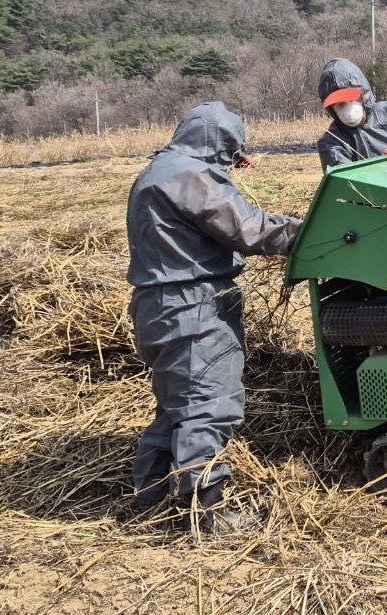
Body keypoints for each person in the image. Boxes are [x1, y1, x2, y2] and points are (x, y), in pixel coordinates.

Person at [126, 101, 301, 533]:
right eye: (231, 154)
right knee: (209, 405)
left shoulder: (158, 171)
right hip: (192, 306)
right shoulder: (190, 174)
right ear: (218, 143)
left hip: (157, 306)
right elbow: (250, 231)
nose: (231, 165)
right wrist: (310, 229)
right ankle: (206, 513)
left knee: (176, 406)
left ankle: (148, 497)